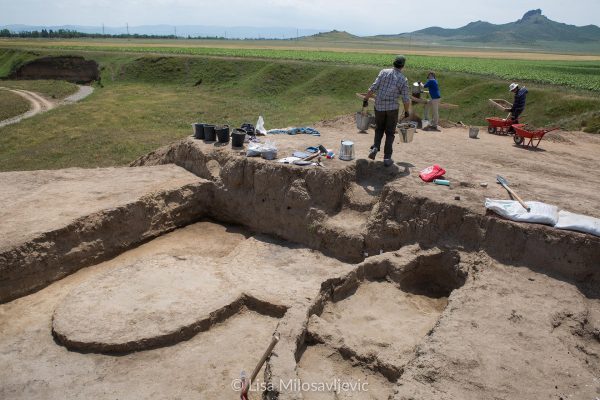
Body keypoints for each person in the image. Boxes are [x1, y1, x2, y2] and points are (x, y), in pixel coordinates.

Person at [363, 55, 411, 167]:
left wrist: (366, 99)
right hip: (392, 109)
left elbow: (373, 87)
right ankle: (387, 158)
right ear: (403, 66)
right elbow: (405, 98)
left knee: (379, 128)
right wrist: (407, 111)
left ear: (393, 63)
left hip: (379, 106)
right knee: (390, 133)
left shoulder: (383, 72)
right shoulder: (403, 79)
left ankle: (375, 148)